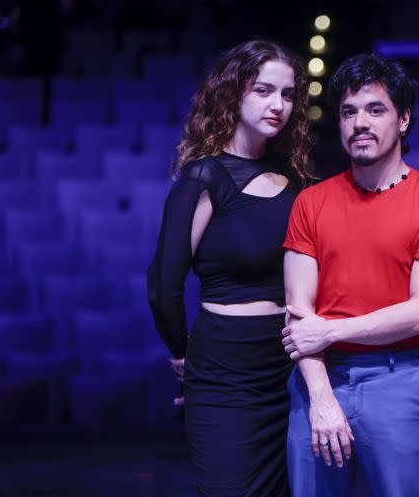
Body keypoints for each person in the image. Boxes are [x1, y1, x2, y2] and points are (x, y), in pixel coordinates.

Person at [281, 53, 419, 497]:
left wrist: (330, 331)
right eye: (349, 112)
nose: (359, 122)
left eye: (374, 109)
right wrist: (321, 400)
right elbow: (298, 314)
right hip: (317, 381)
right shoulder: (311, 202)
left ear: (403, 120)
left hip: (395, 381)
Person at [146, 39, 311, 497]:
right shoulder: (205, 177)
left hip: (289, 368)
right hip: (225, 373)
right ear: (233, 92)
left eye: (288, 94)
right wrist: (182, 354)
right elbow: (164, 284)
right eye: (264, 90)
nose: (278, 104)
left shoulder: (297, 182)